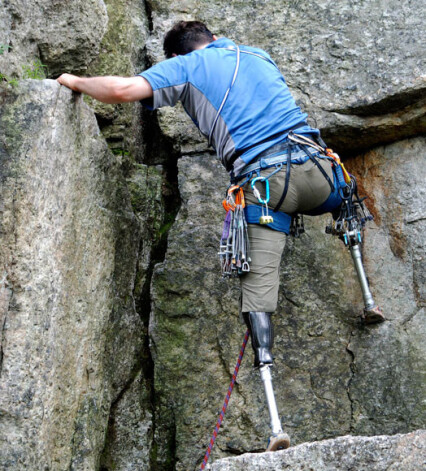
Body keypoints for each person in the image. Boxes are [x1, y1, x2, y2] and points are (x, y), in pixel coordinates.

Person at [57, 20, 384, 452]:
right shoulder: (256, 55)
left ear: (177, 55)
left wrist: (74, 80)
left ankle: (275, 424)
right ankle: (368, 298)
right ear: (212, 37)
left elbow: (121, 90)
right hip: (322, 172)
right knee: (347, 198)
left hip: (269, 189)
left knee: (258, 289)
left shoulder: (186, 67)